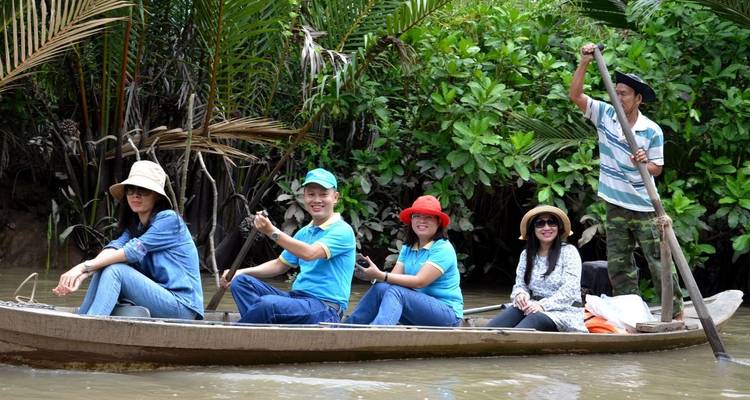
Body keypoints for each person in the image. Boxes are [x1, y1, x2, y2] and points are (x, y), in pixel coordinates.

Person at [569, 43, 683, 319]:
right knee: (619, 265)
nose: (618, 98)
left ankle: (677, 313)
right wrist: (584, 61)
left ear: (638, 99)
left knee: (657, 261)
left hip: (644, 206)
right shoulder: (606, 115)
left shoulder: (651, 130)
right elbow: (576, 95)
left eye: (624, 94)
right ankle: (629, 313)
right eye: (616, 93)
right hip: (614, 202)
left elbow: (657, 169)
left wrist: (644, 161)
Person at [53, 160, 204, 320]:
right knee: (107, 265)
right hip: (159, 299)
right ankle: (83, 320)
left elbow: (133, 251)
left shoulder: (169, 220)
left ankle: (90, 326)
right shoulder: (135, 227)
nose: (135, 195)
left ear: (157, 196)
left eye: (143, 190)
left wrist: (83, 266)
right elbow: (112, 249)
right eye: (131, 190)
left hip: (183, 306)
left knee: (116, 270)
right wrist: (84, 273)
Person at [222, 168, 356, 324]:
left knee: (268, 304)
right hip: (297, 300)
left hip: (325, 308)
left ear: (335, 197)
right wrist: (238, 273)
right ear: (304, 197)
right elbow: (280, 265)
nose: (317, 200)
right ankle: (263, 329)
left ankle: (243, 331)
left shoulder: (343, 230)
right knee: (242, 283)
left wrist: (271, 231)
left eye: (323, 194)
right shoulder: (304, 233)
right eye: (311, 194)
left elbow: (310, 253)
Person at [345, 195, 463, 327]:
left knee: (396, 292)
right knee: (381, 288)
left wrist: (379, 274)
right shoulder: (408, 248)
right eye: (417, 216)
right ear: (411, 220)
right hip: (417, 309)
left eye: (428, 217)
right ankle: (348, 327)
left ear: (438, 222)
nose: (421, 221)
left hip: (447, 314)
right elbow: (393, 280)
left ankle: (378, 331)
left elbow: (420, 282)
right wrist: (372, 275)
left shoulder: (443, 248)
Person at [487, 206, 586, 332]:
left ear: (558, 227)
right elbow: (520, 285)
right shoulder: (526, 254)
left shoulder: (569, 252)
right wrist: (521, 295)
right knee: (490, 328)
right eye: (540, 223)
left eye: (551, 222)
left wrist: (542, 305)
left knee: (523, 328)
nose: (546, 228)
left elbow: (570, 290)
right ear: (533, 229)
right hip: (531, 306)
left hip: (563, 312)